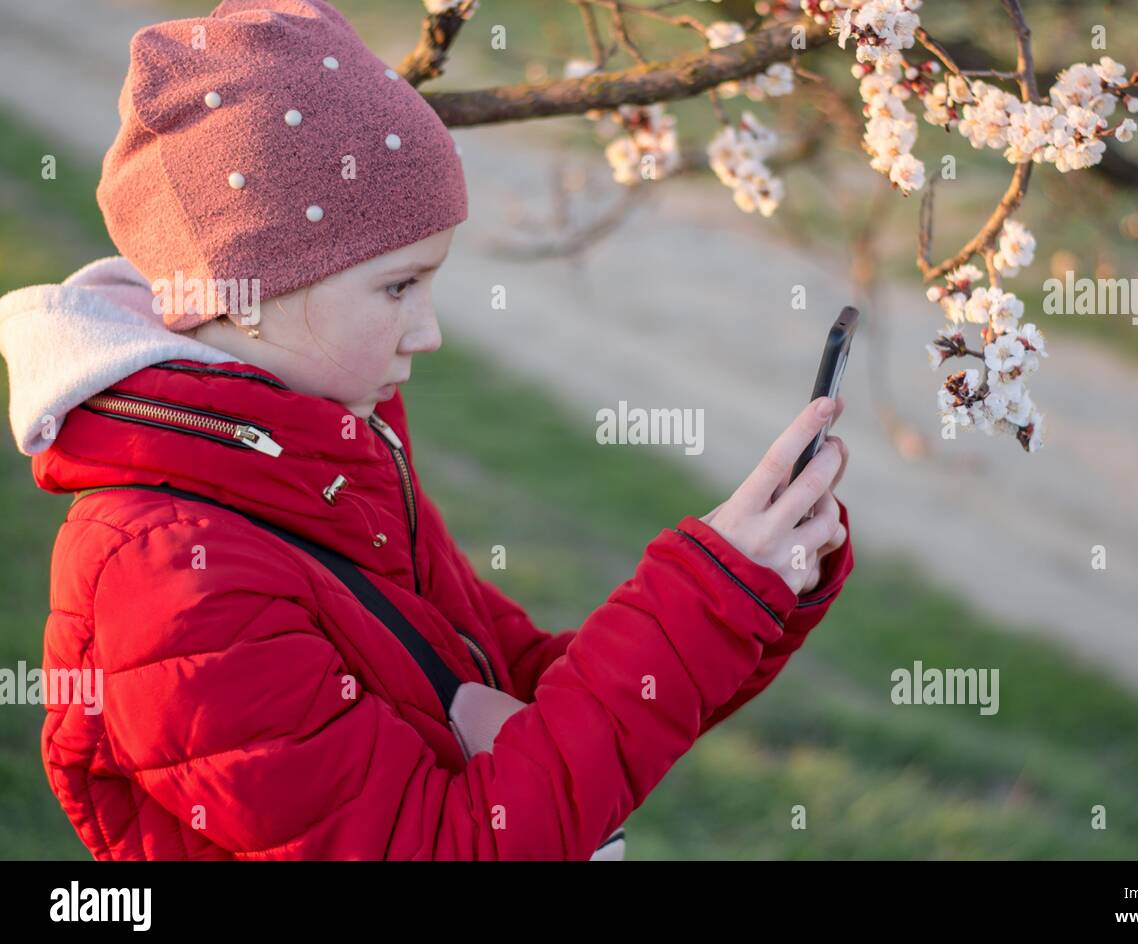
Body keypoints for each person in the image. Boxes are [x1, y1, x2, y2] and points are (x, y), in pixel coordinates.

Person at [0, 0, 854, 859]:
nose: (429, 331)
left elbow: (519, 688)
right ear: (245, 293)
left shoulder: (333, 459)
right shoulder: (171, 585)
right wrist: (701, 597)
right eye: (398, 286)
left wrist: (751, 586)